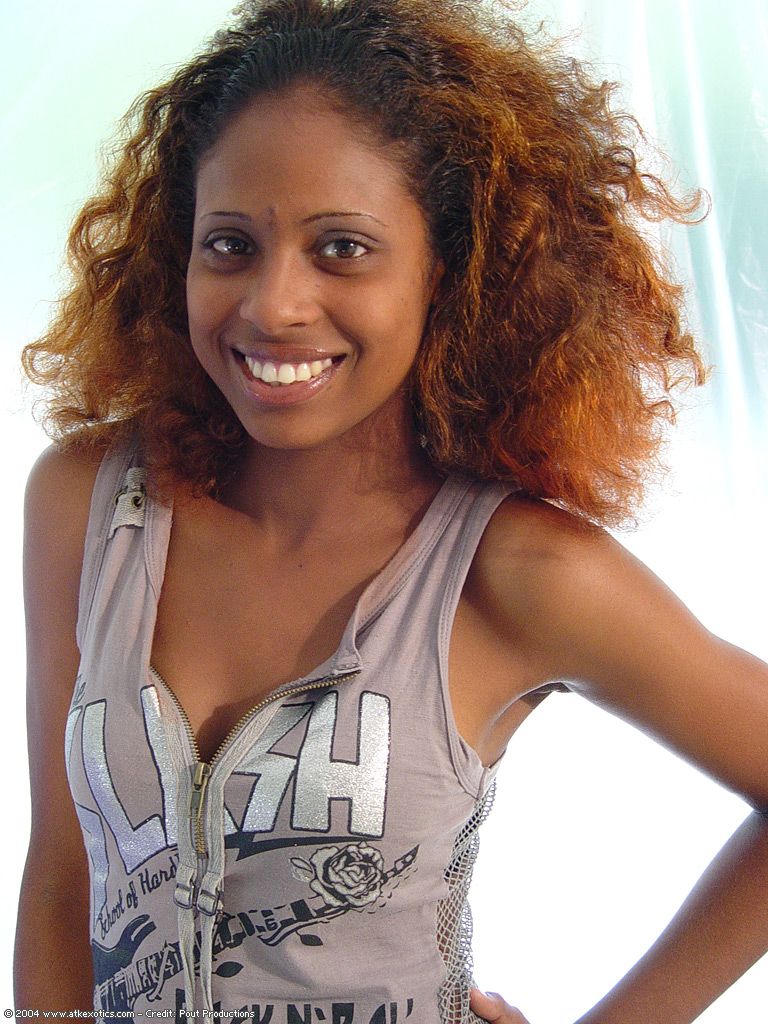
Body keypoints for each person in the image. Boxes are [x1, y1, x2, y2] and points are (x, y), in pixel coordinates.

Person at [14, 0, 768, 1020]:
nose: (273, 304)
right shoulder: (91, 501)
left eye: (342, 248)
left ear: (446, 272)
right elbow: (62, 876)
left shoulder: (516, 572)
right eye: (229, 244)